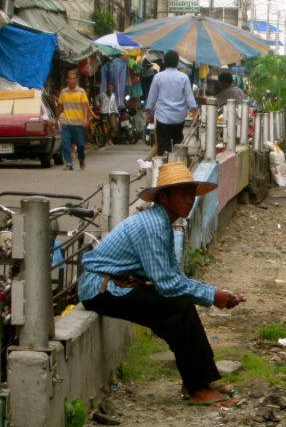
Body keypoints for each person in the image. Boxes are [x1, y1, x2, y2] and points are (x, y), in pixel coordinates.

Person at [78, 162, 245, 407]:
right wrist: (211, 295)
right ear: (164, 197)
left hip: (119, 284)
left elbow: (172, 277)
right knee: (177, 309)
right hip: (101, 289)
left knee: (180, 306)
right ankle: (198, 387)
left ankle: (202, 380)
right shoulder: (154, 226)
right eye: (182, 194)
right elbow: (168, 285)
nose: (189, 200)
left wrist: (212, 294)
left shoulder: (161, 223)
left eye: (191, 194)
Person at [145, 51, 197, 155]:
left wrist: (149, 111)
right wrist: (194, 111)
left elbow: (152, 97)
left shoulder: (158, 77)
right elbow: (190, 97)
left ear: (165, 62)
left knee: (163, 146)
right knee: (178, 143)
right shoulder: (184, 77)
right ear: (177, 62)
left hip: (162, 117)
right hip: (179, 118)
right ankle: (177, 165)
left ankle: (165, 166)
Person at [56, 70, 91, 170]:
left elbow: (85, 106)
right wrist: (57, 118)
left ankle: (81, 159)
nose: (72, 81)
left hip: (78, 123)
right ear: (67, 80)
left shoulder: (81, 92)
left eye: (74, 79)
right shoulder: (63, 92)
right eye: (70, 79)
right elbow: (60, 107)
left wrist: (85, 119)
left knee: (80, 145)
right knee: (65, 144)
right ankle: (69, 163)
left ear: (76, 80)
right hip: (66, 122)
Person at [96, 81, 120, 146]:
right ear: (107, 88)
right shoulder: (102, 95)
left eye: (111, 87)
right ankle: (106, 141)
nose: (110, 88)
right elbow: (97, 98)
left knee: (113, 127)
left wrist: (117, 112)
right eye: (109, 87)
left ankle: (109, 139)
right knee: (107, 128)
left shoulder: (113, 95)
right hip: (104, 112)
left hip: (111, 112)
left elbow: (114, 104)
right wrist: (98, 106)